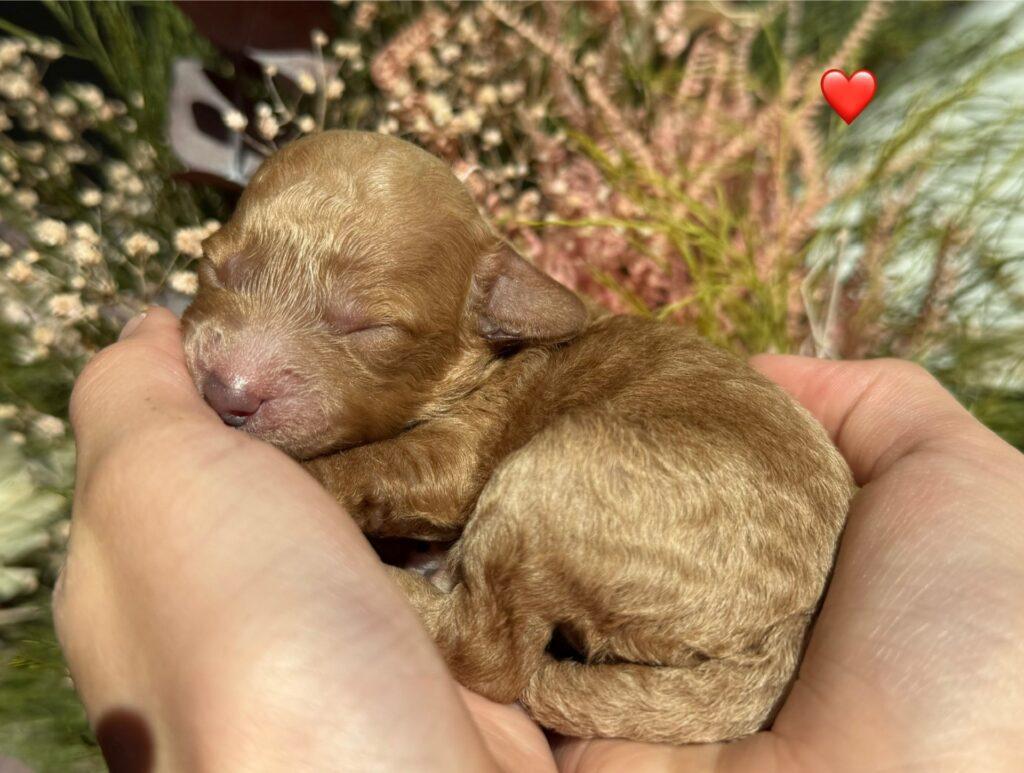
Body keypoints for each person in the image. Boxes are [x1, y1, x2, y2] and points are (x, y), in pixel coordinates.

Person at [55, 307, 1024, 772]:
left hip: (697, 544)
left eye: (359, 323)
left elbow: (449, 474)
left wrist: (307, 491)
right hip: (721, 607)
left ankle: (475, 632)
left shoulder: (502, 377)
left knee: (535, 495)